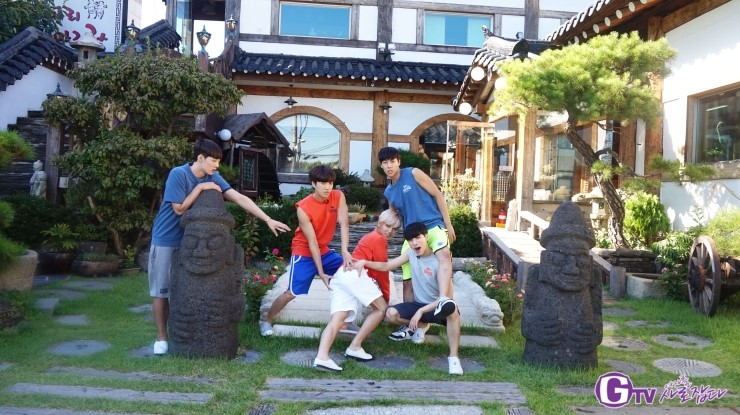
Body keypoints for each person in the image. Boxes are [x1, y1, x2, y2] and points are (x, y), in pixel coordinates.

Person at [149, 138, 290, 355]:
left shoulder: (212, 176)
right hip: (167, 238)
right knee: (162, 290)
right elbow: (179, 209)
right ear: (200, 158)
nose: (217, 165)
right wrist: (201, 187)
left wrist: (267, 219)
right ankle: (161, 338)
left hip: (190, 241)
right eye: (213, 161)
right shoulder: (179, 174)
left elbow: (238, 198)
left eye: (218, 161)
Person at [353, 222, 463, 375]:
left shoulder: (439, 262)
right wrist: (365, 262)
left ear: (426, 237)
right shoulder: (411, 253)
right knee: (390, 313)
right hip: (418, 305)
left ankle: (453, 358)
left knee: (453, 312)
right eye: (410, 240)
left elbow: (446, 299)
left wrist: (420, 312)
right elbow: (387, 266)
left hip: (436, 307)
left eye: (418, 238)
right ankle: (421, 325)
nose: (414, 243)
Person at [260, 165, 353, 337]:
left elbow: (344, 223)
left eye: (330, 183)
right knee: (291, 293)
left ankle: (346, 321)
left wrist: (345, 251)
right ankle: (267, 321)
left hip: (323, 249)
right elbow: (312, 242)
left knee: (350, 275)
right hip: (304, 250)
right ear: (313, 184)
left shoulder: (338, 196)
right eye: (323, 183)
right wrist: (321, 273)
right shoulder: (303, 208)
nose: (327, 187)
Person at [378, 146, 455, 341]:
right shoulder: (389, 191)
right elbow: (394, 216)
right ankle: (414, 326)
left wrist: (447, 224)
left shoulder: (413, 173)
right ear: (382, 166)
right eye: (385, 163)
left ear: (399, 162)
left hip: (433, 226)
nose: (389, 166)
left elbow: (437, 194)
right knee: (407, 279)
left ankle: (444, 301)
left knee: (444, 255)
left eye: (392, 161)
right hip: (411, 235)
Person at [313, 209, 402, 371]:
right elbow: (382, 270)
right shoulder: (378, 239)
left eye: (394, 229)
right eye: (387, 226)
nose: (390, 231)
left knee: (337, 319)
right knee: (381, 309)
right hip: (355, 275)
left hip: (342, 275)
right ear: (379, 223)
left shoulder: (370, 236)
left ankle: (322, 357)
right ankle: (355, 347)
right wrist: (385, 297)